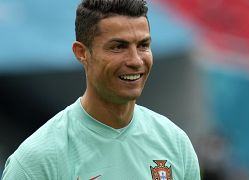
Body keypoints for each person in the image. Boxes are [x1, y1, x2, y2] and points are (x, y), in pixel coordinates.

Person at [1, 0, 200, 179]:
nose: (136, 60)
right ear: (82, 53)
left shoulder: (175, 143)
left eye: (143, 45)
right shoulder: (37, 161)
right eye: (118, 47)